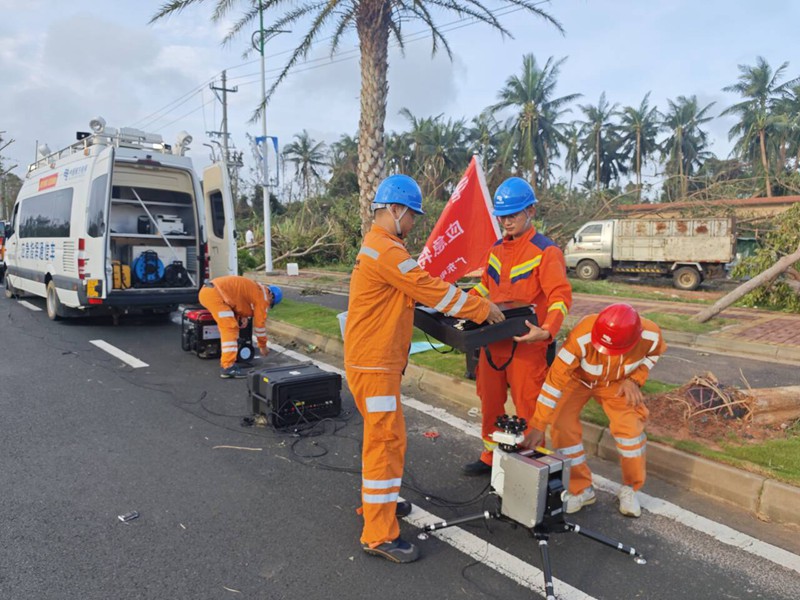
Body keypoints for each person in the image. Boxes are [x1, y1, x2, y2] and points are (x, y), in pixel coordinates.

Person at [344, 174, 505, 564]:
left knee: (381, 440)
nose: (414, 223)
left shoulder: (381, 247)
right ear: (395, 210)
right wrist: (482, 308)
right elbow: (431, 289)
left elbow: (414, 292)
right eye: (413, 215)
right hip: (375, 363)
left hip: (372, 361)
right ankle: (379, 534)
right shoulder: (387, 251)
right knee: (385, 443)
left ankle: (377, 505)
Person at [462, 177, 572, 477]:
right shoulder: (496, 249)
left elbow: (559, 297)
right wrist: (457, 303)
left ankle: (530, 462)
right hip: (494, 342)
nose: (507, 222)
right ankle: (490, 455)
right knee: (490, 399)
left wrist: (547, 331)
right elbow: (486, 289)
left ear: (531, 211)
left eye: (513, 215)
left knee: (529, 405)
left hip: (528, 343)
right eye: (502, 216)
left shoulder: (546, 251)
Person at [521, 303, 667, 518]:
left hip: (617, 383)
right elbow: (554, 383)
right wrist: (538, 425)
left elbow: (652, 356)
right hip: (577, 380)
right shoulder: (581, 336)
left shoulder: (651, 335)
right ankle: (581, 489)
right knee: (562, 425)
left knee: (631, 433)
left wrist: (635, 379)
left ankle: (631, 488)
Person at [198, 275, 283, 378]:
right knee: (230, 327)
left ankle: (229, 358)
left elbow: (237, 298)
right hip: (215, 295)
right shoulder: (264, 297)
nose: (268, 306)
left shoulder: (257, 289)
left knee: (231, 325)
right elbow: (259, 326)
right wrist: (262, 346)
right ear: (271, 296)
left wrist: (243, 315)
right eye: (271, 303)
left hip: (211, 292)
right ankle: (228, 367)